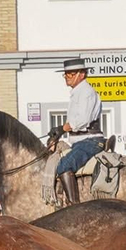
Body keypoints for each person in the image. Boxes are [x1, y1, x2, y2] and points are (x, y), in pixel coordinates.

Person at [53, 58, 104, 205]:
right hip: (79, 141)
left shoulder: (86, 92)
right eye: (66, 74)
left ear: (81, 74)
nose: (67, 77)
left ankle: (74, 206)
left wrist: (62, 129)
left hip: (90, 141)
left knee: (64, 165)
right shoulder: (77, 93)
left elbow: (82, 120)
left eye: (70, 74)